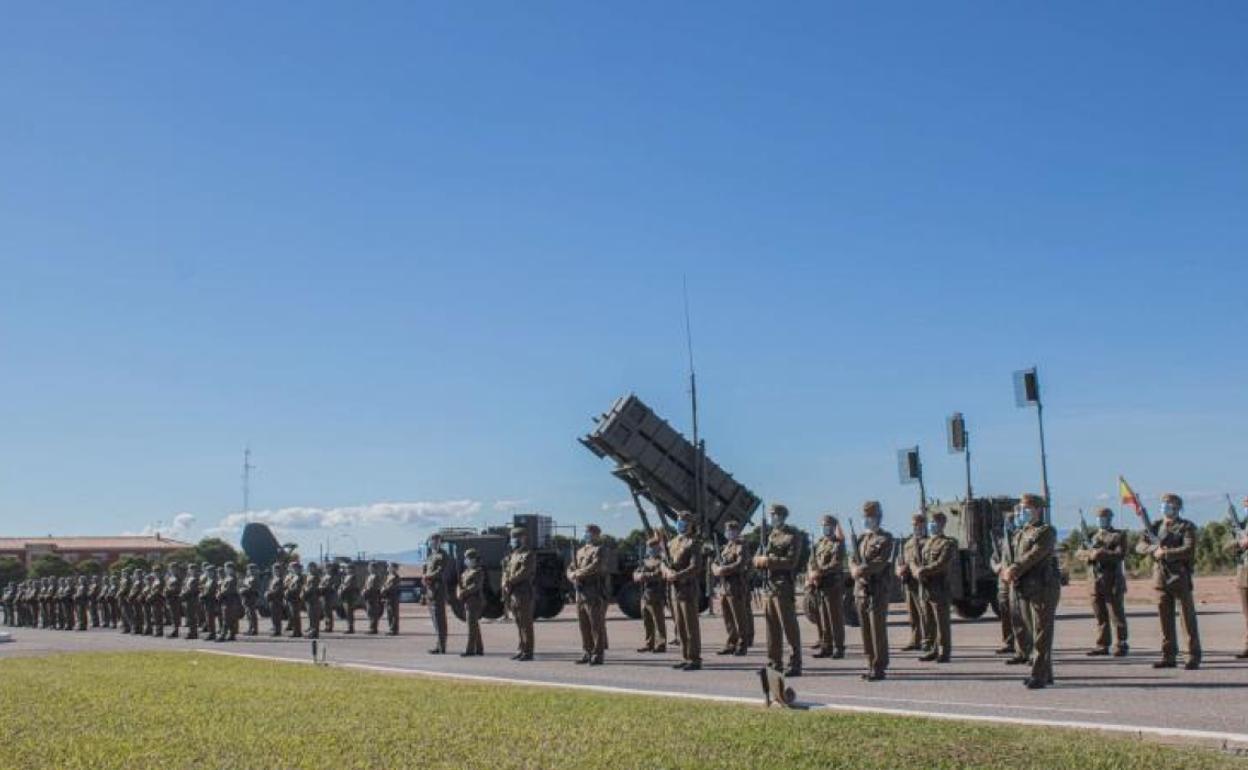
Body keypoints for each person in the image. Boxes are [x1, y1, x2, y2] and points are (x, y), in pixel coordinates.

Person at [1135, 492, 1201, 670]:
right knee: (1165, 619)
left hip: (1179, 577)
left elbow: (1188, 548)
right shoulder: (1154, 526)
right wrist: (1154, 548)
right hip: (1160, 579)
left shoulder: (1186, 526)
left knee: (1187, 619)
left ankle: (1192, 656)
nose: (1165, 507)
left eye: (1169, 504)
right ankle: (1168, 655)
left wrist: (1167, 553)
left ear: (1178, 508)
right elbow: (1139, 546)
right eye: (1163, 504)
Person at [1001, 494, 1060, 689]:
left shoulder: (1046, 531)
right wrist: (1006, 569)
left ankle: (1039, 674)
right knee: (1032, 632)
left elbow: (1034, 555)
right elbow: (1012, 556)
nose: (1022, 512)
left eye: (1027, 508)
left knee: (1042, 633)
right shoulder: (1020, 533)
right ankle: (1045, 673)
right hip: (1025, 588)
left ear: (1038, 510)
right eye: (1021, 508)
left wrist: (1015, 568)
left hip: (1043, 588)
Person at [753, 503, 802, 676]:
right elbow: (759, 557)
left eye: (776, 515)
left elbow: (791, 562)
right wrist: (757, 561)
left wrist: (768, 561)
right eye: (772, 515)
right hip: (770, 586)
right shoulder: (771, 536)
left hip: (783, 586)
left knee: (788, 626)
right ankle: (774, 662)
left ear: (783, 516)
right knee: (771, 627)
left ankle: (795, 664)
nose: (773, 518)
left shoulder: (792, 535)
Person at [1076, 507, 1129, 656]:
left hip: (1112, 580)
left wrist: (1101, 553)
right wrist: (1089, 554)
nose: (1101, 520)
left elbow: (1120, 554)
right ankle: (1102, 644)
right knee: (1100, 615)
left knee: (1116, 614)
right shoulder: (1091, 536)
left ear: (1110, 519)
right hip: (1094, 581)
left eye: (1105, 518)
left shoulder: (1118, 535)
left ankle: (1121, 643)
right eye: (1099, 518)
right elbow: (1079, 552)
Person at [851, 500, 894, 682]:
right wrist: (854, 569)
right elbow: (852, 557)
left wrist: (862, 569)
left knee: (877, 630)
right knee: (866, 631)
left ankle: (879, 666)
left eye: (870, 517)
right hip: (861, 589)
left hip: (876, 589)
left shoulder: (885, 538)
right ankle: (870, 663)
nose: (867, 520)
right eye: (865, 517)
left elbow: (880, 563)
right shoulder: (861, 538)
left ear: (878, 517)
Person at [664, 510, 703, 671]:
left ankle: (694, 658)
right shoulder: (672, 542)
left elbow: (695, 567)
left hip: (687, 588)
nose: (681, 524)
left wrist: (677, 575)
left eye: (684, 522)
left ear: (691, 525)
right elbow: (663, 562)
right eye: (679, 521)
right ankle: (685, 656)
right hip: (674, 589)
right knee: (679, 625)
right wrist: (666, 572)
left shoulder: (693, 543)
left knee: (690, 625)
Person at [915, 511, 957, 663]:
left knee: (941, 621)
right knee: (928, 620)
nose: (931, 525)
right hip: (926, 587)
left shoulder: (948, 543)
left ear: (942, 524)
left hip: (939, 586)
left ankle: (944, 652)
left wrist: (924, 571)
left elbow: (942, 564)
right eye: (930, 522)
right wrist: (918, 571)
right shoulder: (927, 542)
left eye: (935, 522)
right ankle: (932, 649)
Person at [568, 524, 608, 665]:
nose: (586, 534)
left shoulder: (599, 550)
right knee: (583, 624)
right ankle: (587, 651)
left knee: (595, 625)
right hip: (581, 592)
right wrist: (571, 574)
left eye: (589, 532)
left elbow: (596, 566)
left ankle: (598, 654)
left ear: (596, 534)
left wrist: (578, 573)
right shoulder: (580, 551)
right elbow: (571, 567)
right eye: (585, 532)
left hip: (593, 591)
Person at [807, 514, 846, 659]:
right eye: (823, 525)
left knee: (834, 618)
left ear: (834, 527)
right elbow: (812, 561)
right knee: (823, 617)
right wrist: (811, 574)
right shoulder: (820, 543)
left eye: (828, 525)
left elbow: (836, 563)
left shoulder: (838, 543)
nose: (825, 528)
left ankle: (838, 647)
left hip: (832, 584)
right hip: (819, 585)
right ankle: (826, 646)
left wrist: (819, 572)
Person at [713, 518, 753, 656]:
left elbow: (741, 564)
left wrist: (724, 569)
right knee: (728, 617)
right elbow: (714, 562)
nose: (729, 533)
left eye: (732, 530)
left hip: (736, 585)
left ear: (737, 531)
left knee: (739, 617)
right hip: (724, 586)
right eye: (727, 530)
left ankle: (742, 644)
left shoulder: (741, 546)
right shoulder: (726, 547)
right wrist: (715, 569)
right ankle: (731, 642)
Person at [898, 512, 933, 652]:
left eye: (919, 524)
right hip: (909, 582)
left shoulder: (929, 542)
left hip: (922, 581)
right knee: (912, 613)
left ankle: (927, 639)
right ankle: (915, 639)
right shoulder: (908, 543)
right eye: (914, 525)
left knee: (924, 612)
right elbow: (900, 560)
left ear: (924, 525)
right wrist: (899, 569)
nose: (916, 527)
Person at [501, 526, 536, 660]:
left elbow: (525, 572)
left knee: (526, 623)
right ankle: (521, 648)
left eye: (516, 537)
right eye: (512, 538)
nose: (513, 540)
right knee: (519, 622)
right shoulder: (513, 555)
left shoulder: (528, 554)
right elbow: (506, 571)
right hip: (513, 592)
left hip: (523, 592)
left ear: (523, 538)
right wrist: (505, 582)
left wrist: (509, 581)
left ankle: (528, 651)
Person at [633, 533, 668, 653]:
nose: (650, 549)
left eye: (653, 546)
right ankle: (649, 643)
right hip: (645, 594)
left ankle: (661, 644)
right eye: (649, 547)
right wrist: (638, 576)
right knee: (646, 621)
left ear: (658, 547)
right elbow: (635, 573)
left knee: (658, 620)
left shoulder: (662, 560)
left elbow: (659, 575)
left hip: (656, 593)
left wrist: (644, 576)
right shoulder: (645, 560)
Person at [1225, 497, 1248, 659]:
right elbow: (1225, 547)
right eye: (1246, 505)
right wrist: (1240, 542)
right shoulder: (1241, 527)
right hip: (1244, 575)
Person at [423, 535, 448, 653]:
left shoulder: (442, 555)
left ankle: (442, 646)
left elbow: (440, 571)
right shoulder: (430, 556)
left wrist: (428, 576)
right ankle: (438, 645)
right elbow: (426, 570)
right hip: (430, 589)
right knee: (434, 619)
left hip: (438, 589)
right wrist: (424, 578)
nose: (434, 543)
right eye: (432, 541)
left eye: (436, 541)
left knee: (439, 618)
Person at [457, 548, 485, 656]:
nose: (466, 561)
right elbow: (460, 584)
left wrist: (464, 592)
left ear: (473, 559)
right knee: (474, 626)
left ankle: (470, 650)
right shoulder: (466, 572)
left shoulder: (478, 571)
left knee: (471, 626)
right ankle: (479, 648)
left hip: (475, 601)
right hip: (467, 601)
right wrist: (459, 591)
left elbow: (476, 586)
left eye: (468, 559)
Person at [218, 562, 242, 642]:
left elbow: (229, 590)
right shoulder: (227, 577)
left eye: (226, 568)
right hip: (226, 600)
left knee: (226, 618)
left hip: (230, 601)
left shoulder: (232, 578)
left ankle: (223, 635)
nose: (225, 569)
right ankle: (232, 635)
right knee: (229, 619)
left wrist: (220, 593)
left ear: (230, 569)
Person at [264, 563, 286, 637]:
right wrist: (268, 592)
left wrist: (270, 593)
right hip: (272, 600)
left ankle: (278, 630)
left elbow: (278, 590)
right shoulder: (273, 579)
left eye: (276, 570)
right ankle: (275, 628)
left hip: (277, 600)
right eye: (274, 569)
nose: (275, 571)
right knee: (273, 616)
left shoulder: (280, 579)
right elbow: (271, 588)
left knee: (277, 616)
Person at [283, 562, 304, 638]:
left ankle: (297, 632)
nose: (294, 569)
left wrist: (289, 591)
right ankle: (295, 631)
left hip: (295, 598)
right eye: (293, 567)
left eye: (295, 568)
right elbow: (288, 585)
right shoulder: (293, 576)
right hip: (290, 598)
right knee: (292, 616)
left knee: (295, 616)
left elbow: (297, 588)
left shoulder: (299, 577)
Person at [303, 562, 323, 640]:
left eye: (312, 567)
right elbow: (306, 585)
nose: (310, 569)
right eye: (309, 567)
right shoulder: (309, 576)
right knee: (310, 616)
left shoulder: (316, 577)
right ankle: (312, 631)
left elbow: (312, 587)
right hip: (308, 599)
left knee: (314, 617)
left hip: (314, 598)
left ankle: (315, 632)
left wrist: (305, 591)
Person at [182, 563, 202, 640]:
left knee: (192, 617)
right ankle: (191, 632)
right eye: (190, 569)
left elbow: (192, 589)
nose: (191, 570)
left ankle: (193, 633)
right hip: (187, 599)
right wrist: (183, 593)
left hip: (192, 599)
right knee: (189, 617)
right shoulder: (188, 578)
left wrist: (184, 594)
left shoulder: (196, 578)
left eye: (193, 569)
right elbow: (184, 587)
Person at [339, 563, 360, 634]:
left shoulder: (353, 577)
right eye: (347, 568)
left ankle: (351, 628)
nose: (346, 570)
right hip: (345, 597)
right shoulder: (346, 576)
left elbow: (350, 586)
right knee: (347, 613)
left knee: (349, 613)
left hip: (350, 597)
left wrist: (343, 589)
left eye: (348, 568)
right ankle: (349, 627)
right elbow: (343, 585)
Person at [164, 564, 184, 639]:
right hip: (169, 599)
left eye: (174, 569)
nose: (172, 570)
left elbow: (177, 589)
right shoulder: (169, 577)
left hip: (175, 598)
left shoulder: (178, 578)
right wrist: (166, 591)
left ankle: (175, 631)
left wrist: (169, 591)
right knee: (172, 616)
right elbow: (167, 586)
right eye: (171, 569)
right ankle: (174, 630)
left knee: (175, 615)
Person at [241, 563, 261, 636]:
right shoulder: (247, 578)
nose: (250, 570)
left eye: (251, 569)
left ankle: (254, 629)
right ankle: (250, 628)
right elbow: (243, 585)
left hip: (251, 597)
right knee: (248, 614)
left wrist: (244, 590)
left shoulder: (255, 578)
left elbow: (252, 588)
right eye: (249, 569)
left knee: (252, 614)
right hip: (246, 598)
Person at [321, 562, 341, 633]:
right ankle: (327, 625)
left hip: (329, 595)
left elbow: (335, 586)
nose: (326, 569)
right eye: (326, 568)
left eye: (328, 567)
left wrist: (326, 587)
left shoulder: (333, 576)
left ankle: (329, 627)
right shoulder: (325, 576)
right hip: (323, 595)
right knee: (325, 612)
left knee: (328, 612)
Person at [383, 562, 401, 636]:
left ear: (394, 568)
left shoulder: (396, 577)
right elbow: (385, 585)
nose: (388, 568)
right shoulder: (389, 576)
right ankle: (391, 628)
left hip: (393, 597)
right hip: (388, 597)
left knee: (393, 614)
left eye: (390, 566)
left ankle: (394, 629)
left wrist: (384, 589)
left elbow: (392, 587)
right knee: (389, 614)